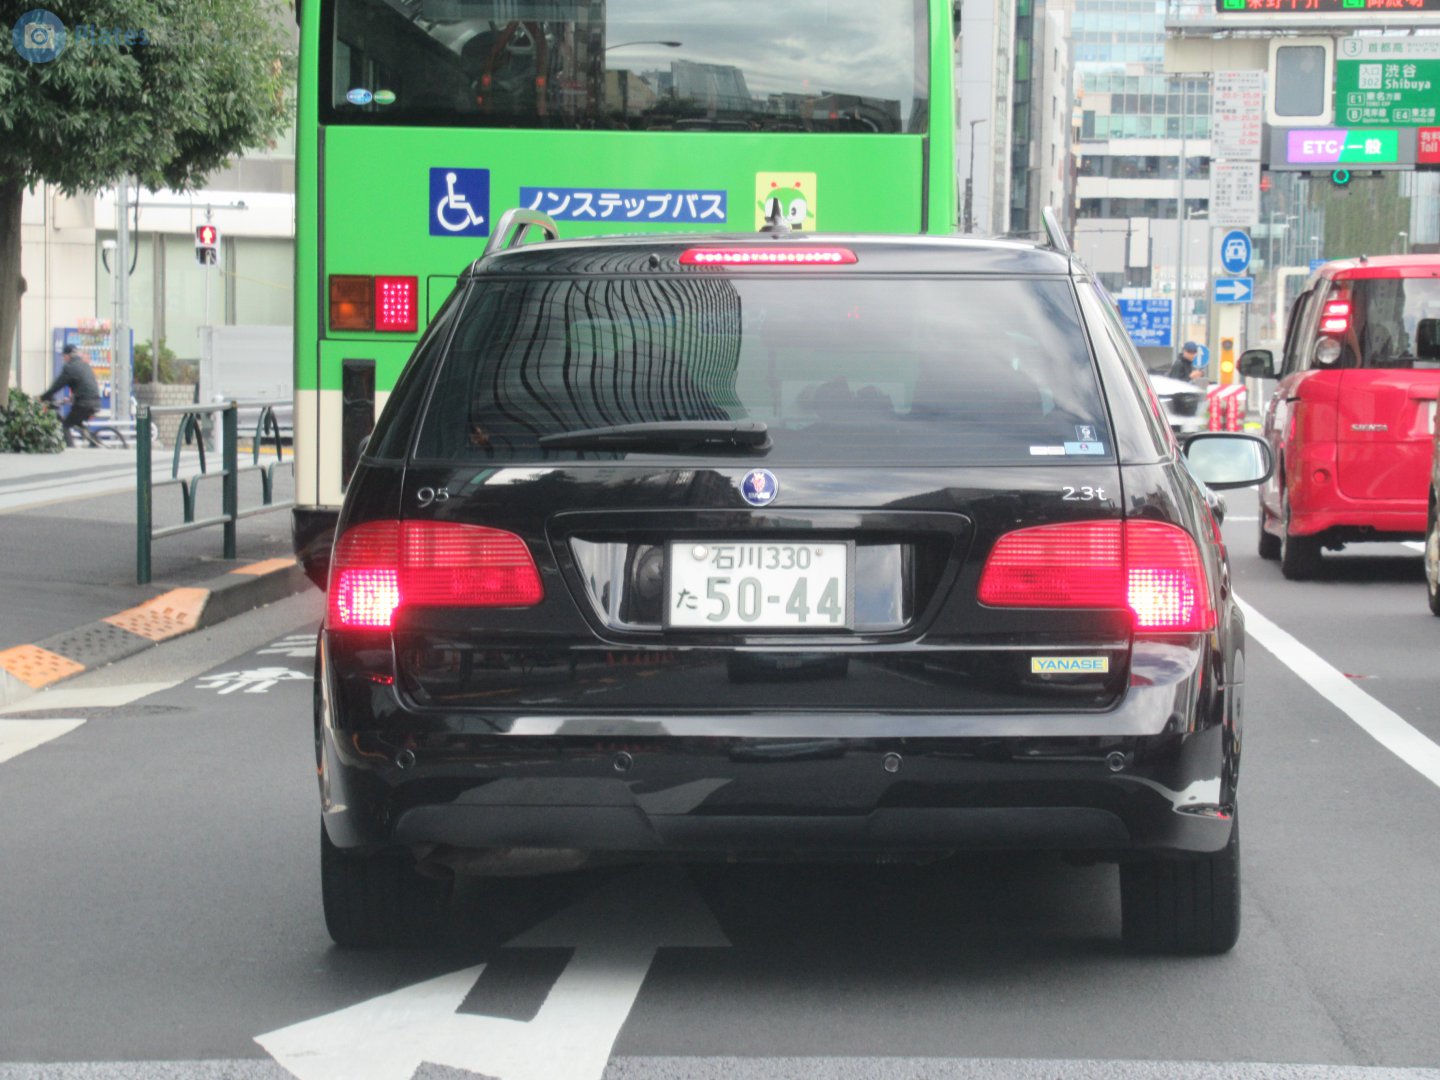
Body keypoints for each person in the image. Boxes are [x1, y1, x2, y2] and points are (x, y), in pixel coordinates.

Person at [41, 344, 102, 447]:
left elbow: (57, 385)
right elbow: (83, 385)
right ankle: (91, 438)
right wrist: (71, 398)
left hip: (84, 403)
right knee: (77, 421)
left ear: (68, 356)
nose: (64, 359)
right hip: (95, 401)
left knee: (65, 425)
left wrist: (43, 397)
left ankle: (71, 450)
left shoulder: (69, 367)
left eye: (64, 356)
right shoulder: (84, 364)